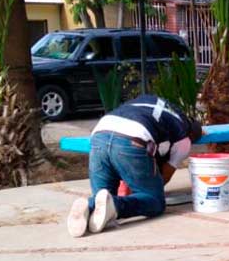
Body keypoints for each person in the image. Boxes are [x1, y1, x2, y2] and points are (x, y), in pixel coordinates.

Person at [67, 94, 203, 237]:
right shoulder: (184, 140)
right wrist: (140, 188)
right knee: (155, 201)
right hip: (132, 139)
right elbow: (164, 178)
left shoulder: (152, 101)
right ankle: (116, 206)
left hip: (99, 134)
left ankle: (88, 206)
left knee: (103, 198)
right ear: (191, 133)